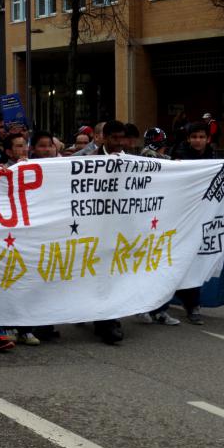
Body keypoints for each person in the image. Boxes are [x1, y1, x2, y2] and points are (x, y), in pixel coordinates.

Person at [135, 127, 182, 326]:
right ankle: (143, 307)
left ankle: (160, 310)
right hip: (147, 221)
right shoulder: (148, 157)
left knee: (161, 267)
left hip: (163, 220)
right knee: (146, 267)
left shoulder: (165, 159)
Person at [171, 121, 215, 325]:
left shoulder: (213, 156)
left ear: (208, 139)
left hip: (202, 214)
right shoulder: (179, 155)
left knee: (195, 259)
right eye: (194, 137)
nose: (198, 140)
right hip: (181, 216)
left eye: (201, 137)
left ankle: (192, 304)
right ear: (188, 139)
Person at [93, 120, 127, 345]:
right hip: (95, 229)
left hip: (121, 228)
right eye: (113, 138)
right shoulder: (90, 161)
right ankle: (103, 320)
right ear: (104, 138)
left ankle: (111, 319)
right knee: (98, 274)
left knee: (115, 274)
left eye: (121, 138)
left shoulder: (131, 161)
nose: (118, 143)